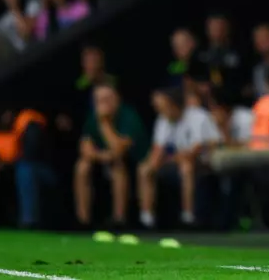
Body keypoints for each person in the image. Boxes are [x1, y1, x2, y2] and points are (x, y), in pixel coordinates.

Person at [137, 87, 222, 229]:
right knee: (144, 169)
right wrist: (151, 165)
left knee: (186, 167)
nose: (160, 111)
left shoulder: (198, 116)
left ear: (174, 104)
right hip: (176, 160)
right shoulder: (163, 119)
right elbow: (158, 148)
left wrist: (168, 158)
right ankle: (146, 218)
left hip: (204, 161)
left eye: (163, 106)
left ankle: (188, 216)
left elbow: (195, 150)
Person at [74, 83, 148, 230]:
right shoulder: (92, 117)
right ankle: (83, 220)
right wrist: (104, 156)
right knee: (82, 167)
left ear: (117, 99)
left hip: (131, 162)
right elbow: (85, 149)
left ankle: (119, 219)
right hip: (103, 158)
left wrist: (104, 123)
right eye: (99, 100)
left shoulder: (128, 116)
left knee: (117, 167)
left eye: (107, 99)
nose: (103, 104)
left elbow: (119, 150)